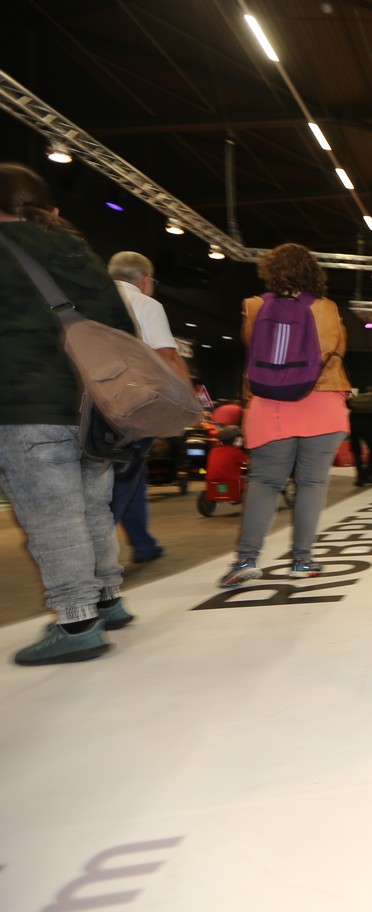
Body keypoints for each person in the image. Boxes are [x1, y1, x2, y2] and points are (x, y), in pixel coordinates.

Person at [0, 162, 137, 664]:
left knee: (52, 515)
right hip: (91, 407)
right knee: (91, 508)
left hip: (24, 406)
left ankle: (77, 622)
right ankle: (107, 598)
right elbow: (122, 330)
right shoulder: (81, 253)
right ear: (48, 208)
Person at [219, 243, 351, 587]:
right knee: (312, 484)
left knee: (265, 484)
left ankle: (246, 560)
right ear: (314, 273)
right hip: (321, 404)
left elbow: (253, 348)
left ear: (270, 272)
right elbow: (336, 350)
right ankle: (302, 561)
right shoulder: (326, 309)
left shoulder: (253, 306)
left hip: (270, 406)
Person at [107, 250, 192, 564]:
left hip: (92, 404)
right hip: (132, 405)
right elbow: (168, 356)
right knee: (124, 476)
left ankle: (143, 543)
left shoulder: (90, 299)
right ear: (144, 279)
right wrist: (189, 399)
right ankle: (95, 552)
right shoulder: (145, 303)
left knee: (132, 472)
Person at [346, 385, 372, 486]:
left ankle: (360, 477)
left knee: (357, 452)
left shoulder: (357, 398)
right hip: (368, 427)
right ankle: (369, 474)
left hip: (354, 426)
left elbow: (347, 405)